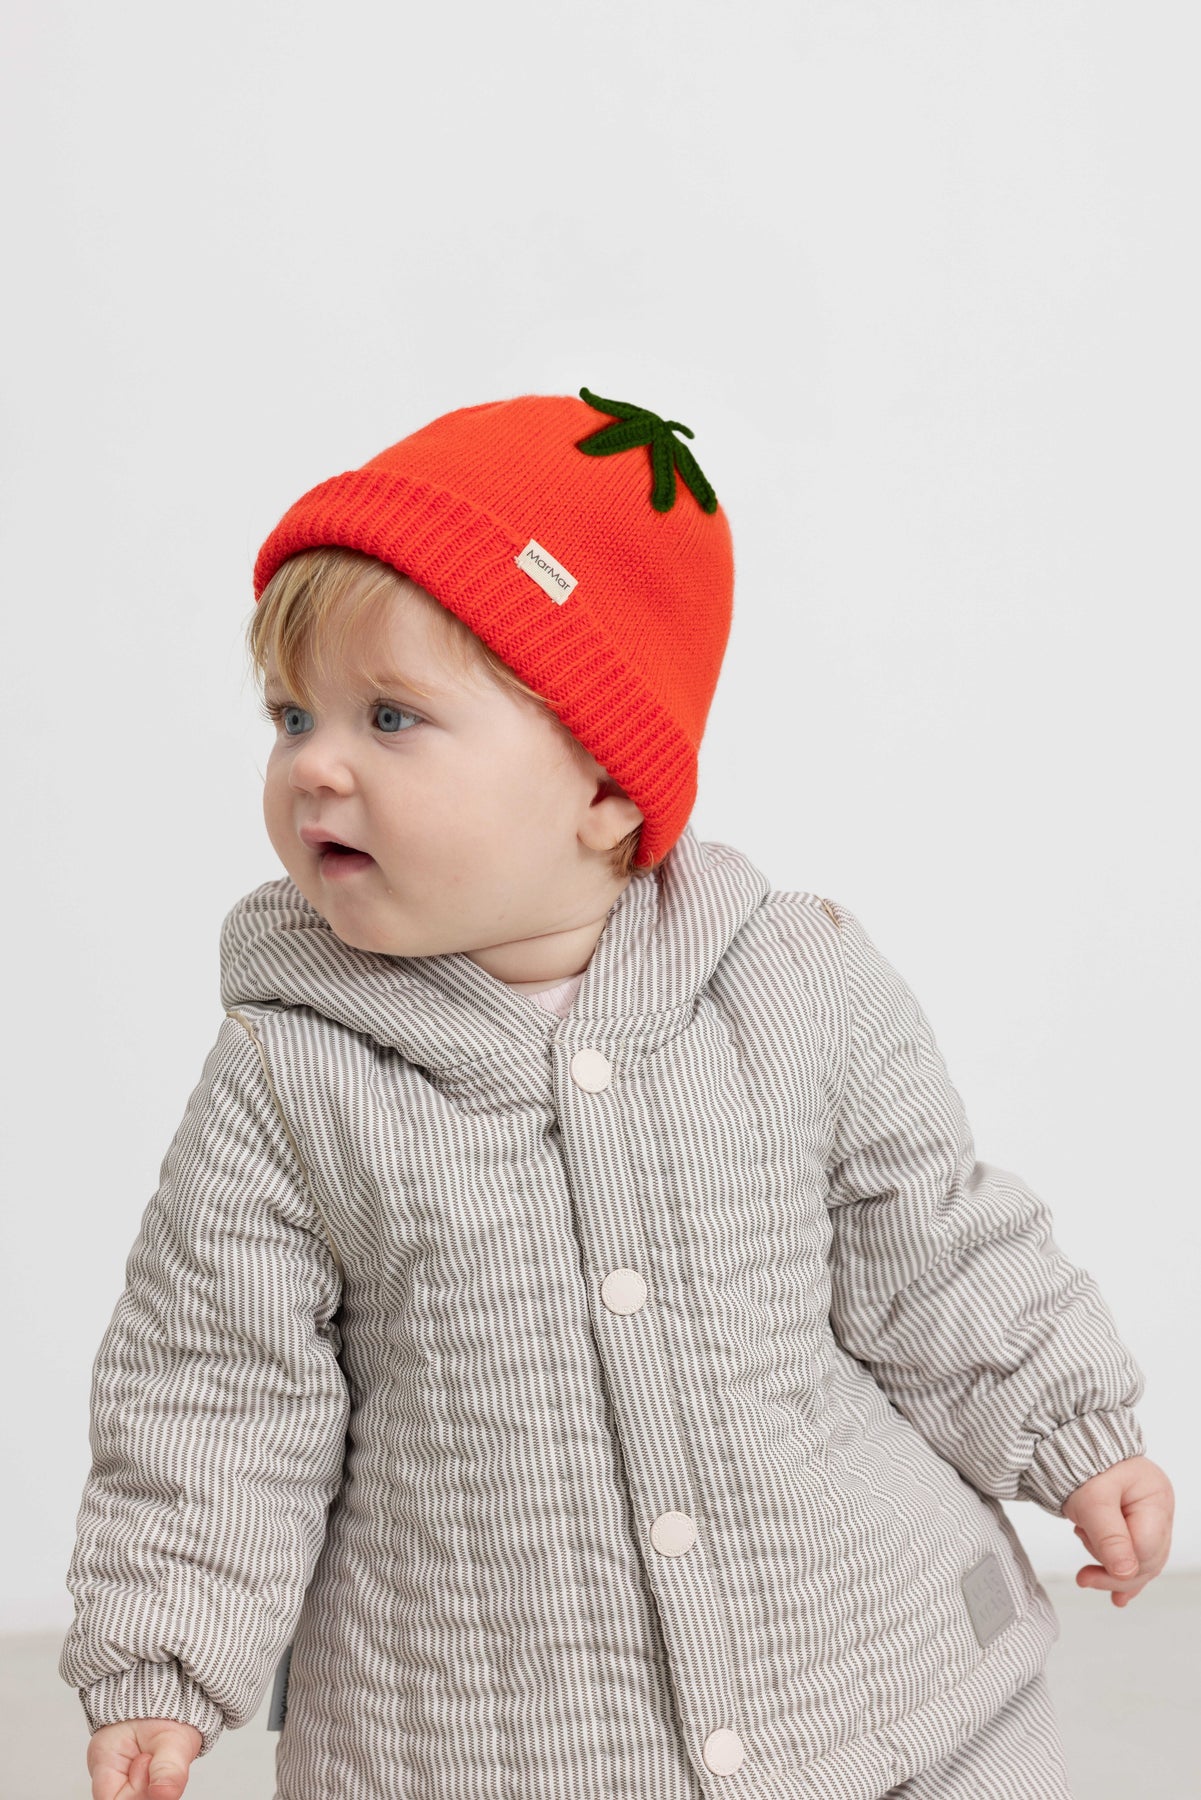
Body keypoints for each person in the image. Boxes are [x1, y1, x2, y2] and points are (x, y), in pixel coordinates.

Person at [60, 387, 1174, 1800]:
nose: (314, 764)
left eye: (389, 716)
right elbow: (215, 1384)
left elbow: (933, 1243)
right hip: (492, 1734)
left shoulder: (792, 981)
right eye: (292, 715)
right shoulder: (290, 1077)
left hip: (872, 1675)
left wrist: (1072, 1433)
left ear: (603, 784)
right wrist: (163, 1658)